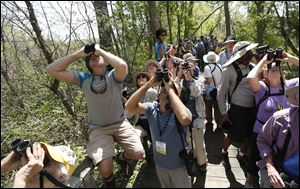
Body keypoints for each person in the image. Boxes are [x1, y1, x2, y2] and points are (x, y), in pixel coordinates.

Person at [46, 44, 144, 187]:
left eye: (98, 56)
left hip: (120, 124)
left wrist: (100, 51)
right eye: (92, 56)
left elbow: (122, 65)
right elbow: (51, 69)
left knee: (138, 153)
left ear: (106, 61)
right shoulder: (83, 79)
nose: (94, 56)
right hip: (98, 129)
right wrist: (78, 54)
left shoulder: (114, 76)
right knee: (105, 168)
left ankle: (121, 157)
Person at [125, 72, 193, 188]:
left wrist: (170, 89)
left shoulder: (179, 112)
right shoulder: (152, 108)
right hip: (160, 165)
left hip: (178, 166)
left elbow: (185, 119)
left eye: (168, 89)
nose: (164, 88)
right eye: (162, 87)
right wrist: (148, 84)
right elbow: (129, 107)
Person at [245, 52, 299, 187]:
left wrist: (289, 58)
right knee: (253, 165)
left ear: (281, 72)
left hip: (284, 133)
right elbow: (251, 77)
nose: (273, 67)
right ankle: (250, 181)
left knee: (279, 161)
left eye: (276, 66)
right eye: (269, 68)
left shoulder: (289, 86)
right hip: (262, 133)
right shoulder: (263, 88)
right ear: (264, 75)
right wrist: (264, 60)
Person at [218, 41, 258, 170]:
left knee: (248, 135)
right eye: (249, 53)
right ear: (241, 55)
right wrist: (224, 113)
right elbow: (221, 93)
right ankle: (224, 152)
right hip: (237, 109)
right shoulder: (229, 70)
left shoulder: (253, 67)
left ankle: (241, 154)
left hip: (252, 108)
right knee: (232, 135)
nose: (252, 54)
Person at [257, 84, 299, 188]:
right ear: (296, 97)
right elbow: (263, 140)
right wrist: (270, 166)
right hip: (280, 171)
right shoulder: (281, 118)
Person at [175, 61, 208, 174]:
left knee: (199, 142)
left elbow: (197, 92)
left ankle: (202, 163)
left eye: (189, 67)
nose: (186, 70)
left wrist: (190, 79)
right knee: (187, 141)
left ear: (194, 68)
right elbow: (173, 91)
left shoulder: (198, 81)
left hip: (196, 116)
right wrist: (179, 75)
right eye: (184, 67)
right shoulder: (179, 81)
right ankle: (192, 158)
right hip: (183, 117)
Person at [1, 142, 77, 188]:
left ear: (61, 177)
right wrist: (4, 165)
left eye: (44, 162)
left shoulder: (21, 178)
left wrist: (22, 176)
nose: (30, 164)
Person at [203, 51, 222, 129]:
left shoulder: (207, 67)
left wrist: (204, 81)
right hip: (219, 89)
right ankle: (219, 123)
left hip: (210, 90)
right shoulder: (220, 66)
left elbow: (209, 80)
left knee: (208, 107)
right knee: (218, 108)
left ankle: (209, 122)